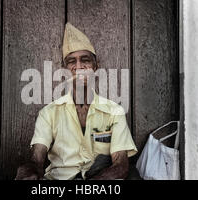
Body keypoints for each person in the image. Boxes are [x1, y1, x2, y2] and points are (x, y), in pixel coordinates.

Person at [15, 23, 137, 180]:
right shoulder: (48, 113)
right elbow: (37, 158)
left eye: (85, 60)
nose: (79, 67)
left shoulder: (114, 112)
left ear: (95, 66)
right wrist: (29, 171)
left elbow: (120, 166)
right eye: (72, 61)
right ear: (65, 69)